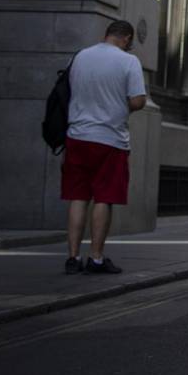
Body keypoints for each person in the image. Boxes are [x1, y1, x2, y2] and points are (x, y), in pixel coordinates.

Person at [62, 20, 147, 275]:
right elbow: (137, 100)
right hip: (110, 140)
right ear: (127, 38)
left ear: (106, 35)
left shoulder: (79, 57)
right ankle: (96, 258)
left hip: (77, 136)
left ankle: (73, 258)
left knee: (78, 198)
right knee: (104, 198)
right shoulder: (128, 62)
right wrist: (122, 106)